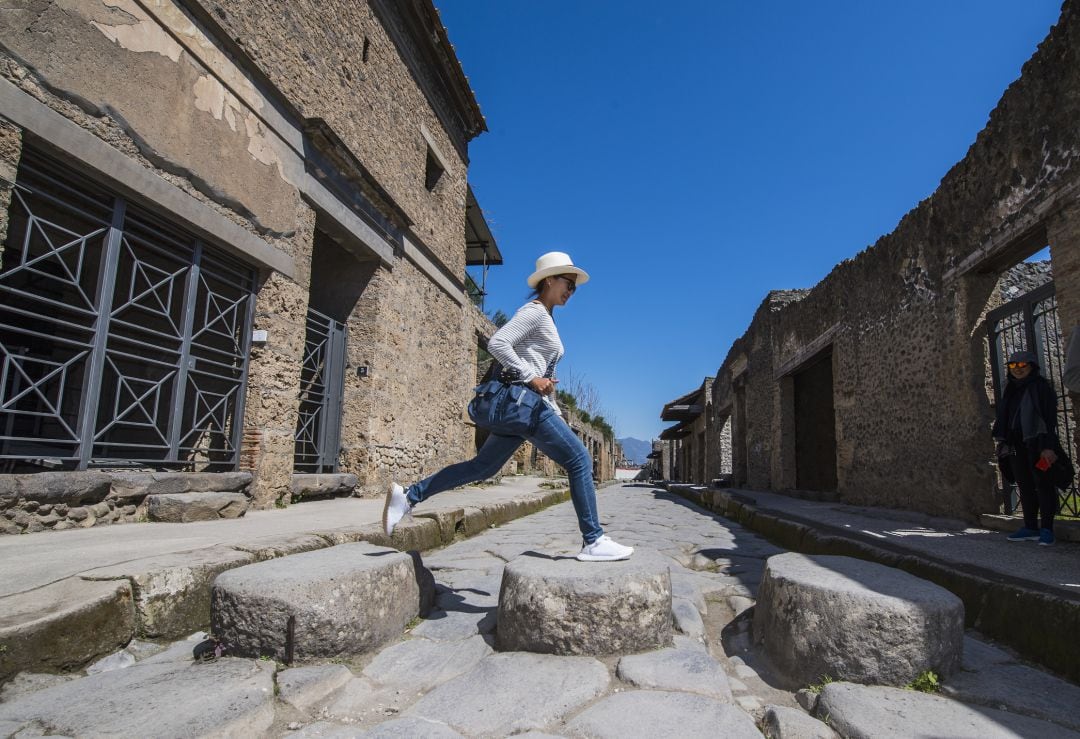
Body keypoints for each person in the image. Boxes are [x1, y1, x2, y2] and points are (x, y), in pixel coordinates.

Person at [382, 251, 634, 562]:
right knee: (580, 460)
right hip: (524, 405)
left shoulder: (547, 317)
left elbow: (546, 376)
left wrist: (552, 405)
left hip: (526, 408)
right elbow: (497, 343)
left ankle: (409, 496)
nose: (571, 291)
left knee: (482, 467)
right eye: (568, 283)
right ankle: (593, 540)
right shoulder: (536, 313)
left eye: (575, 287)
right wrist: (531, 378)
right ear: (549, 280)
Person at [992, 349, 1060, 546]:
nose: (1017, 369)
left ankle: (1047, 529)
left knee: (1043, 484)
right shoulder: (1011, 389)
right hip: (1016, 444)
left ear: (1032, 366)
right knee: (1025, 484)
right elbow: (1006, 417)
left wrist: (1048, 447)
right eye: (1013, 365)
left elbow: (1049, 419)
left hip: (1038, 444)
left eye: (1022, 365)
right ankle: (1030, 526)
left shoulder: (1041, 388)